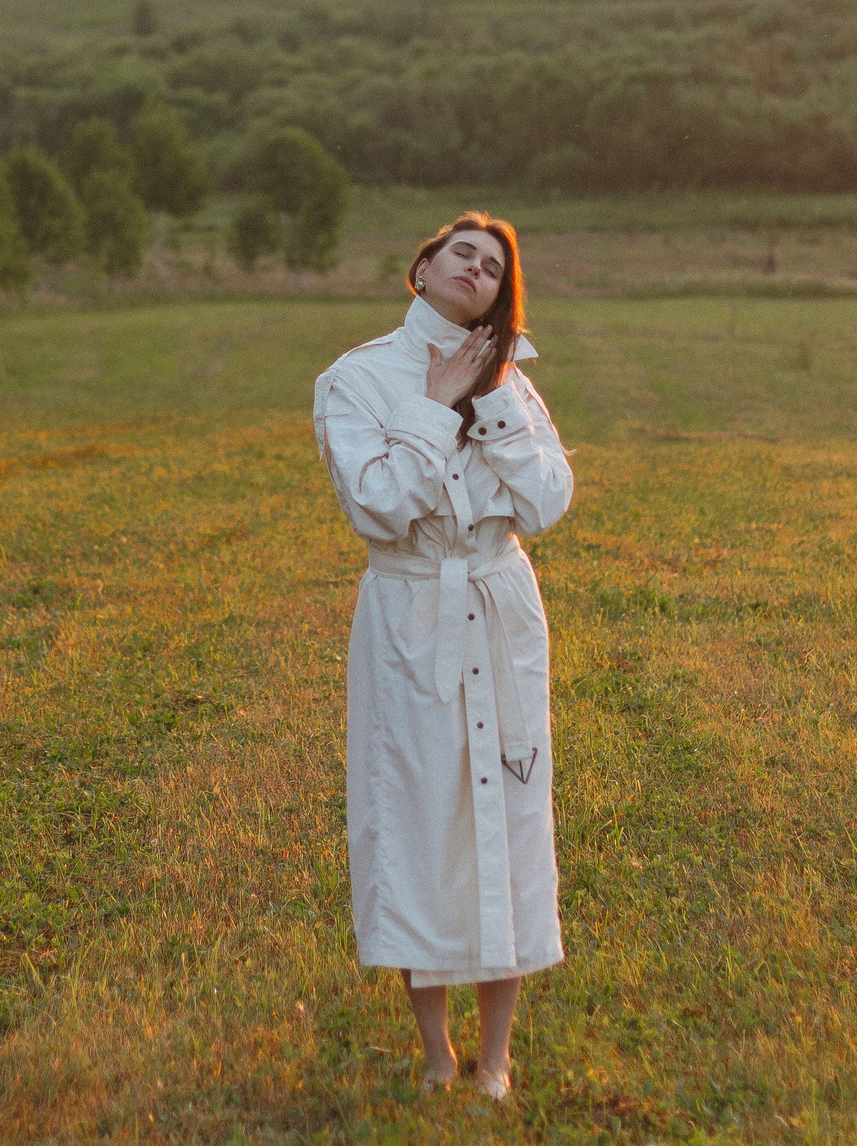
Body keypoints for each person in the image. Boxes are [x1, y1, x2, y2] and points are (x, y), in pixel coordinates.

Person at [312, 211, 575, 1100]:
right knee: (419, 816)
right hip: (410, 610)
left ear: (502, 295)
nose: (477, 268)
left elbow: (543, 501)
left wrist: (491, 395)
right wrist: (430, 407)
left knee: (507, 814)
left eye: (495, 267)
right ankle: (436, 1049)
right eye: (462, 252)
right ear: (420, 269)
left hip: (500, 608)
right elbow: (379, 504)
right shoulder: (356, 378)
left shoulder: (514, 382)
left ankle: (495, 1054)